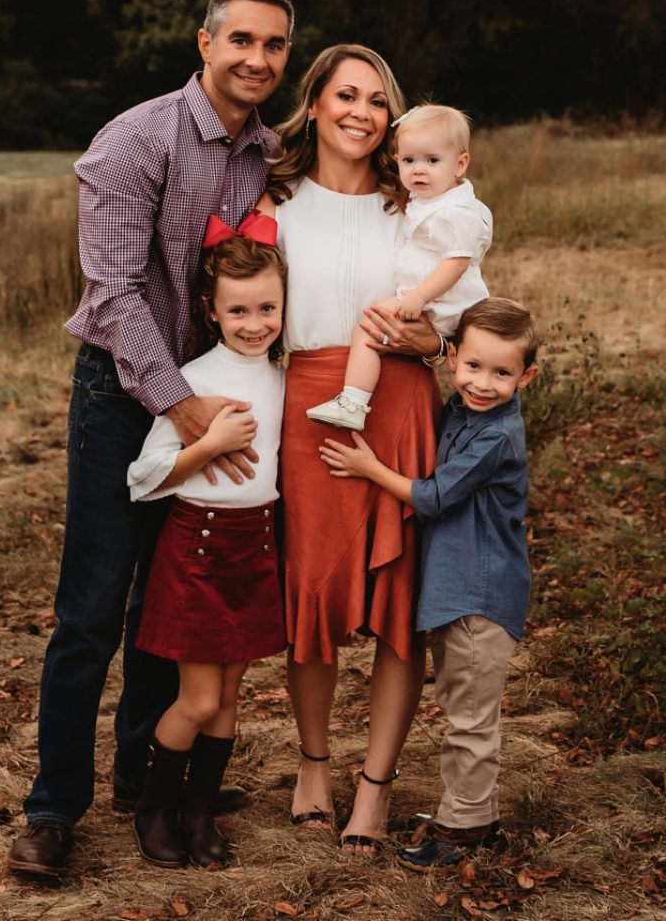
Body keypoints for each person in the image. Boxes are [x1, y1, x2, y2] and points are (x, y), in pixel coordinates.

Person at [7, 0, 294, 877]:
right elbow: (115, 292)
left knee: (163, 610)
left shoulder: (268, 153)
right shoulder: (134, 141)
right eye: (240, 40)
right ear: (202, 43)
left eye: (274, 45)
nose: (257, 59)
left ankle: (147, 774)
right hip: (123, 394)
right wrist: (183, 408)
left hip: (213, 387)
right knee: (91, 609)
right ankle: (53, 810)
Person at [257, 44, 444, 855]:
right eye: (346, 96)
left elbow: (459, 325)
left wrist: (431, 340)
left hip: (401, 403)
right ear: (316, 103)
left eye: (377, 100)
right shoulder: (273, 198)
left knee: (400, 603)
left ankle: (375, 788)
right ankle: (313, 767)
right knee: (315, 590)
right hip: (307, 406)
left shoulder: (419, 206)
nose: (362, 113)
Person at [319, 296, 540, 869]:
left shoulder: (494, 437)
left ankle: (465, 831)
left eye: (501, 373)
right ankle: (472, 812)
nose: (484, 384)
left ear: (527, 376)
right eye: (473, 366)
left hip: (480, 593)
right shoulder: (465, 412)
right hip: (459, 589)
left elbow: (437, 496)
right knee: (462, 706)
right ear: (451, 359)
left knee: (469, 719)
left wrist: (371, 470)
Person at [126, 225, 287, 870]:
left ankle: (199, 813)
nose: (254, 324)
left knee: (228, 697)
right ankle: (153, 808)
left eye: (267, 308)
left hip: (257, 545)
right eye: (238, 310)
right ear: (211, 309)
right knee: (196, 699)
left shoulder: (286, 374)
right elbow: (143, 481)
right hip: (199, 545)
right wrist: (208, 447)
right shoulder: (192, 383)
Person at [307, 104, 491, 432]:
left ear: (460, 164)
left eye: (432, 161)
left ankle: (353, 401)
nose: (418, 171)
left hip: (438, 300)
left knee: (368, 327)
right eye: (408, 161)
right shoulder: (429, 201)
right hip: (427, 300)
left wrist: (419, 297)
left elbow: (458, 263)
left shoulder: (456, 212)